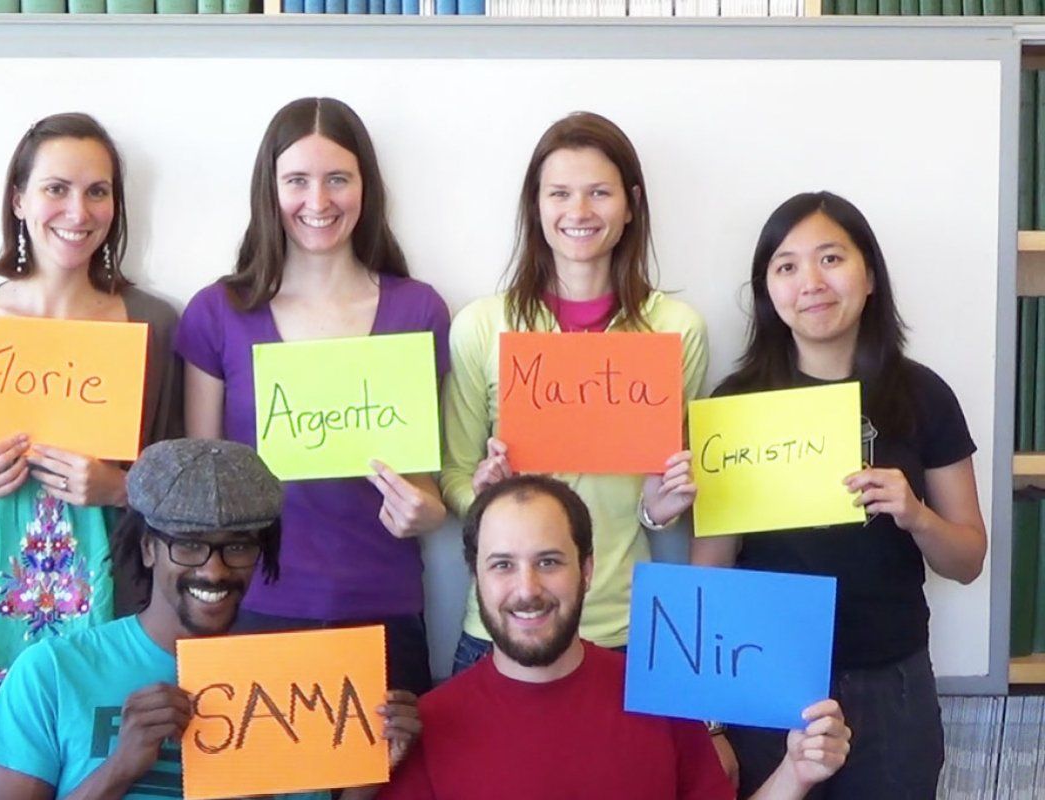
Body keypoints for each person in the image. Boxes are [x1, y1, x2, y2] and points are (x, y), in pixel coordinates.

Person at [673, 191, 987, 798]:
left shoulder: (923, 396)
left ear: (869, 275)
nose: (810, 282)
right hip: (765, 683)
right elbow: (710, 572)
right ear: (768, 293)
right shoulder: (733, 407)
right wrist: (707, 720)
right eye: (786, 266)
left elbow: (968, 561)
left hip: (890, 682)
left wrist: (916, 515)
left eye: (831, 259)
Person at [0, 112, 183, 799]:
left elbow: (180, 487)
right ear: (19, 201)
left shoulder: (151, 324)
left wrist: (118, 488)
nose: (78, 210)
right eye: (57, 188)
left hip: (109, 634)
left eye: (99, 191)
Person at [175, 97, 450, 697]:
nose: (318, 202)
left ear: (365, 188)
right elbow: (201, 493)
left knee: (384, 790)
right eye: (297, 180)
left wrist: (429, 512)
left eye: (338, 180)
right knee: (265, 794)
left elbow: (427, 481)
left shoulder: (418, 310)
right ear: (269, 190)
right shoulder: (219, 313)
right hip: (254, 606)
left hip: (383, 602)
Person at [0, 438, 419, 800]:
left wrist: (365, 778)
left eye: (238, 546)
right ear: (148, 548)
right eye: (188, 545)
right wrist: (120, 769)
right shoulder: (53, 671)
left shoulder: (302, 684)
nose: (214, 570)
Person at [378, 475, 850, 800]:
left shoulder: (660, 697)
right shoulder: (431, 725)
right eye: (502, 564)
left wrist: (796, 774)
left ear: (587, 570)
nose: (527, 589)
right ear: (476, 577)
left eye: (549, 561)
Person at [440, 111, 708, 667]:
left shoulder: (676, 329)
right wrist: (486, 495)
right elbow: (454, 479)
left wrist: (661, 510)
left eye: (599, 193)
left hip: (626, 627)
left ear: (631, 204)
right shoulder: (482, 326)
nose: (579, 212)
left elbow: (658, 502)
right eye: (559, 193)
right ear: (535, 207)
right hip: (502, 625)